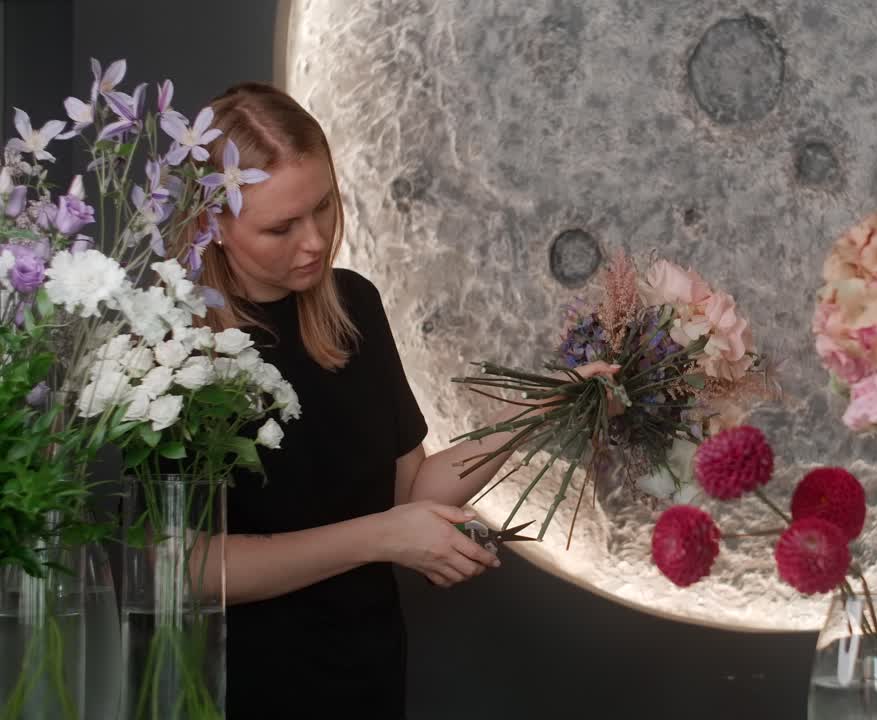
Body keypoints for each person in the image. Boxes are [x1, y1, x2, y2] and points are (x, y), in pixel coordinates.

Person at [189, 82, 616, 718]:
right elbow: (191, 570)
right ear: (212, 224)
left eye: (324, 206)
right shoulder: (178, 350)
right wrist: (382, 537)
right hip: (238, 689)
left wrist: (540, 411)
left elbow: (410, 493)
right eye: (281, 227)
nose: (315, 241)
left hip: (368, 676)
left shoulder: (353, 306)